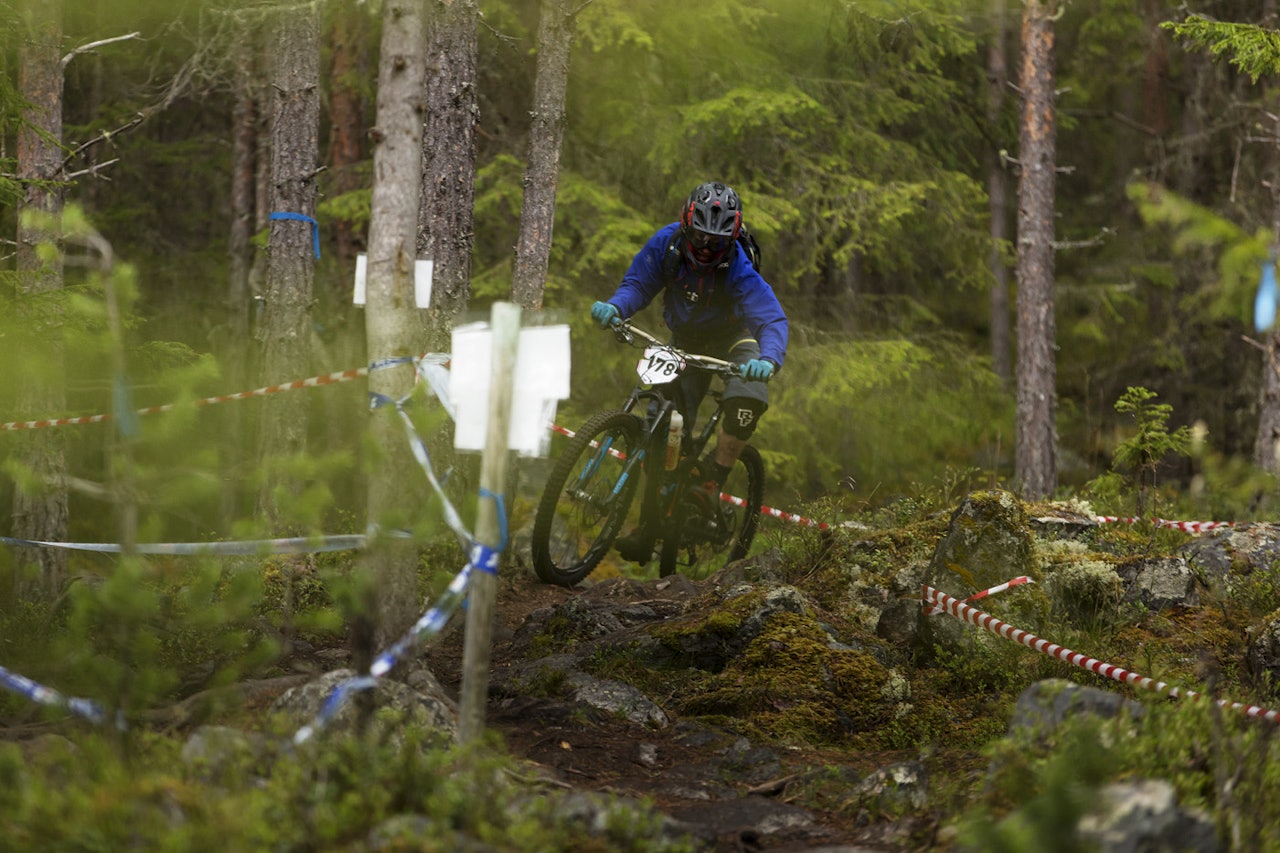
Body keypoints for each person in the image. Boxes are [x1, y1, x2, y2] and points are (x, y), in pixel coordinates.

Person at [590, 180, 789, 562]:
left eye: (717, 241)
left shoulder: (738, 267)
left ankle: (713, 480)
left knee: (747, 398)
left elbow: (771, 319)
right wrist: (616, 307)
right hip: (684, 340)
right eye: (700, 236)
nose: (706, 247)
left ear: (731, 238)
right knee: (660, 426)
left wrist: (767, 360)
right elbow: (638, 284)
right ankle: (650, 524)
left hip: (734, 340)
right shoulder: (666, 245)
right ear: (686, 224)